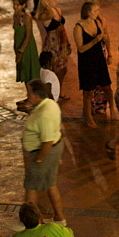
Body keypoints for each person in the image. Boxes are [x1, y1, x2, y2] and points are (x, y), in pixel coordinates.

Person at [20, 80, 69, 226]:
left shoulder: (44, 114)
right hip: (54, 148)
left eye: (29, 93)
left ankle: (31, 223)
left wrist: (39, 160)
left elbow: (47, 142)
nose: (27, 96)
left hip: (43, 153)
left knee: (31, 186)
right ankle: (60, 218)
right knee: (50, 183)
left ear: (36, 95)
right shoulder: (50, 104)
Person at [73, 0, 113, 127]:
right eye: (95, 10)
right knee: (88, 90)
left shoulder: (97, 22)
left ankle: (112, 109)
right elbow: (81, 48)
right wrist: (95, 41)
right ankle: (88, 116)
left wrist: (109, 53)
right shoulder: (78, 27)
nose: (98, 12)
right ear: (88, 12)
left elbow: (105, 38)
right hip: (87, 61)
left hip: (99, 58)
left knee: (107, 86)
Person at [35, 0, 71, 96]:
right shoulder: (45, 14)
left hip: (62, 42)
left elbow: (62, 27)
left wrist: (67, 43)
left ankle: (59, 91)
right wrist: (49, 8)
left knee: (63, 69)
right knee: (54, 69)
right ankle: (52, 93)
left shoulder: (58, 10)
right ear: (46, 1)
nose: (56, 1)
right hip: (53, 44)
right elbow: (48, 25)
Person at [13, 0, 41, 110]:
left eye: (17, 5)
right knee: (24, 73)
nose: (15, 7)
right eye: (14, 4)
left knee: (28, 73)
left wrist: (21, 50)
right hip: (19, 46)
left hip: (27, 48)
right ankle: (29, 96)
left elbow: (28, 35)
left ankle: (31, 99)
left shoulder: (26, 17)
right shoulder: (15, 16)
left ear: (23, 5)